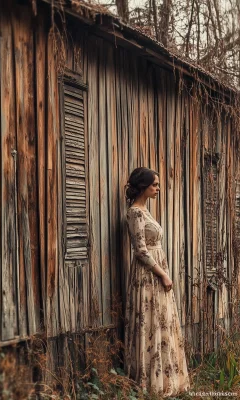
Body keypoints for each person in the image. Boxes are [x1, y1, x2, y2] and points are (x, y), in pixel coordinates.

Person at [124, 167, 190, 398]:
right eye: (155, 185)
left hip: (157, 270)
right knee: (149, 322)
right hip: (147, 275)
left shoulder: (146, 210)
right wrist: (162, 274)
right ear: (143, 187)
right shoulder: (135, 213)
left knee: (161, 322)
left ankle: (165, 379)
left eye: (158, 185)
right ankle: (149, 383)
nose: (158, 189)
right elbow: (140, 251)